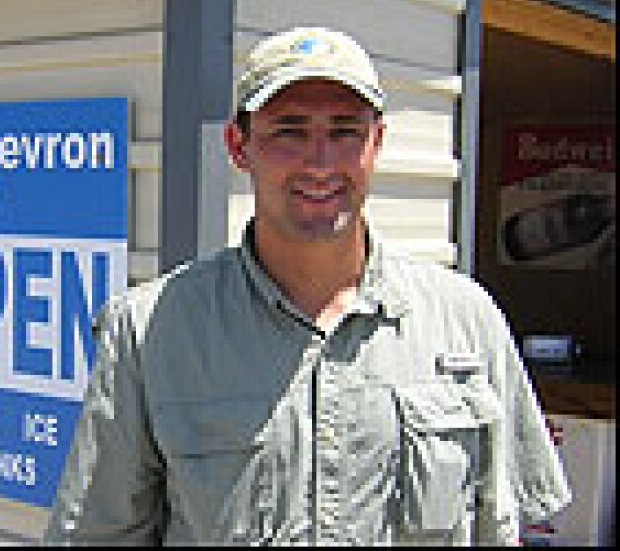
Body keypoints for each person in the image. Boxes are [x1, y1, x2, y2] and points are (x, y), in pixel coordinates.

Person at [43, 27, 571, 546]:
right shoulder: (150, 331)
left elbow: (500, 529)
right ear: (239, 145)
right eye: (289, 131)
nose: (320, 163)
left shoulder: (466, 320)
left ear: (377, 143)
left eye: (345, 131)